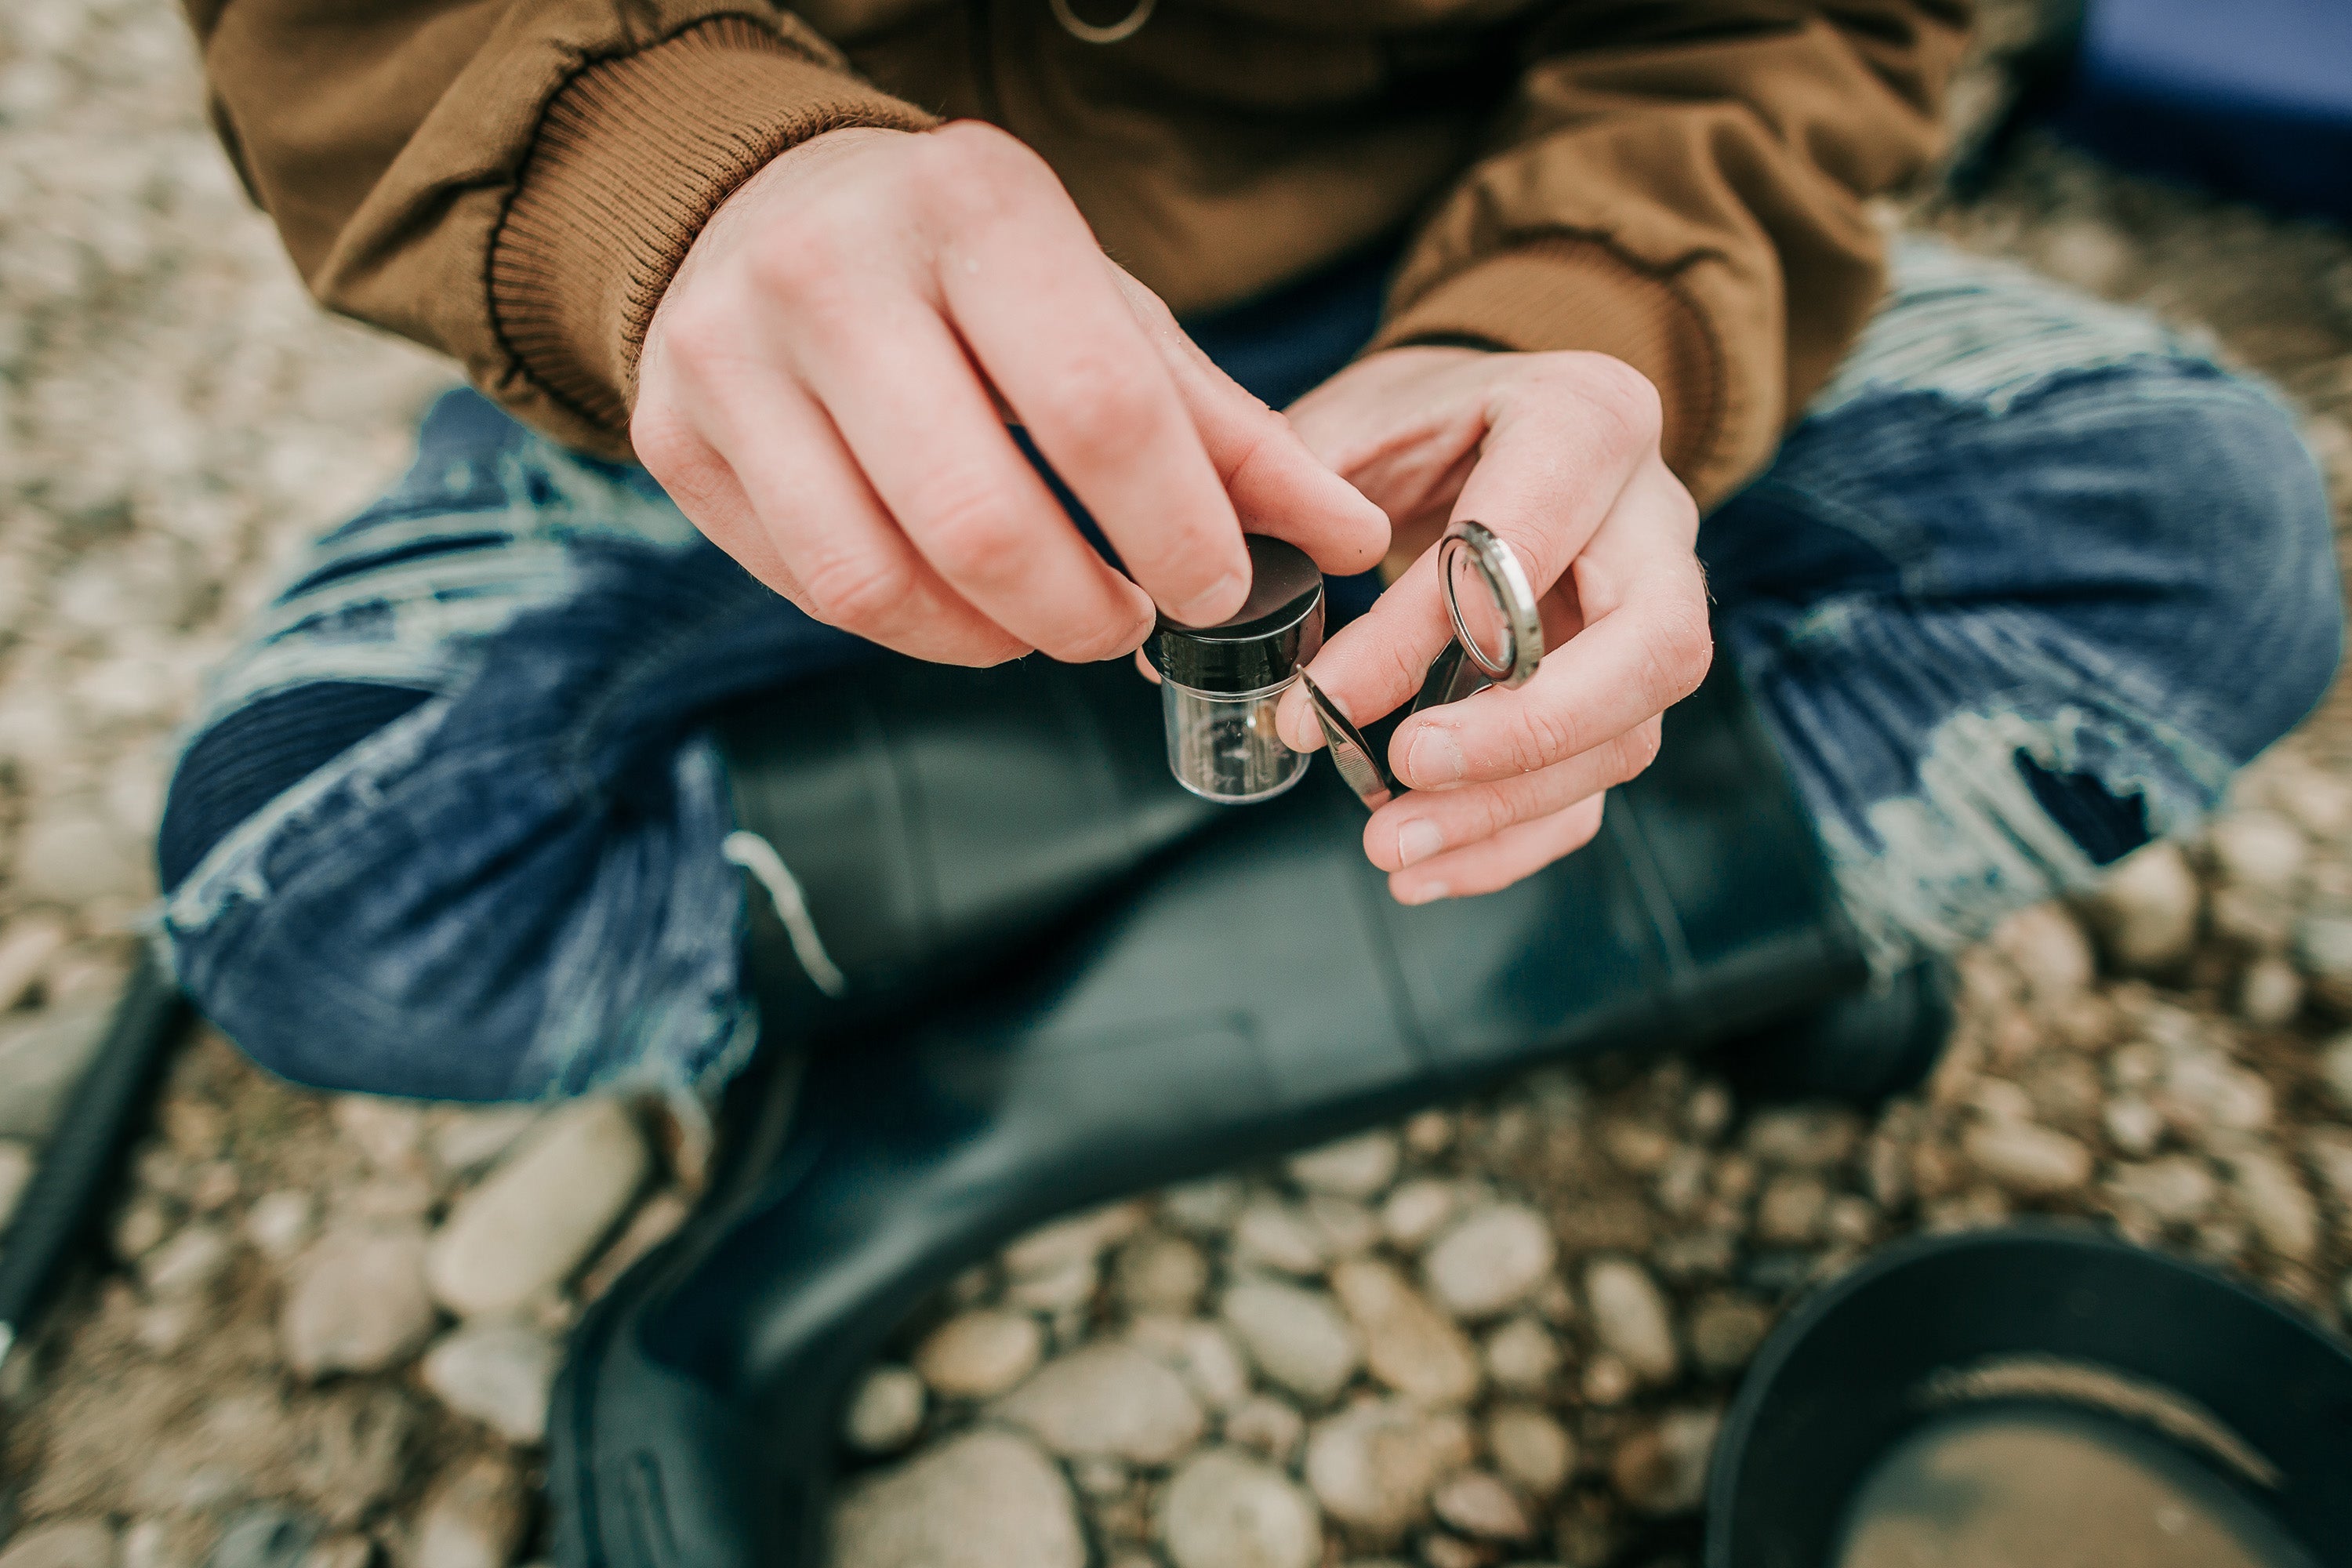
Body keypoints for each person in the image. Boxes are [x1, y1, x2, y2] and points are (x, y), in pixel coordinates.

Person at [160, 0, 2339, 1104]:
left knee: (2209, 533)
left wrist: (1580, 317)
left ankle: (968, 1112)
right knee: (317, 891)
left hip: (1459, 267)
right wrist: (652, 166)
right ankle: (1657, 924)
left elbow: (1799, 25)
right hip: (796, 339)